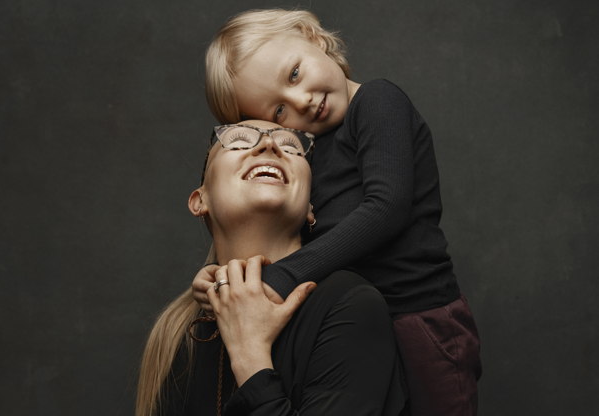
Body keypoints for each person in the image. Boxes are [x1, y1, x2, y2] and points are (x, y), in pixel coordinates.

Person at [193, 9, 482, 416]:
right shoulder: (307, 151)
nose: (302, 101)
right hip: (355, 326)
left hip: (420, 321)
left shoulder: (378, 102)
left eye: (294, 74)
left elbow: (386, 209)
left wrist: (281, 276)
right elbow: (291, 234)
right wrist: (226, 278)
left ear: (313, 37)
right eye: (278, 112)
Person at [136, 120, 406, 416]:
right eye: (238, 141)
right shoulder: (175, 332)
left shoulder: (349, 303)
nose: (269, 145)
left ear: (310, 208)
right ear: (200, 200)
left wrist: (250, 357)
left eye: (291, 146)